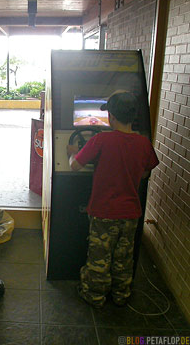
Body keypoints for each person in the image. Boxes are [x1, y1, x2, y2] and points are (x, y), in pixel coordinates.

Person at [66, 91, 159, 308]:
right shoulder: (143, 143)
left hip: (103, 212)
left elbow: (75, 165)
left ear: (112, 117)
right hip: (130, 214)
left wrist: (72, 152)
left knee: (99, 257)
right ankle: (121, 295)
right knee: (123, 258)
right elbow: (146, 172)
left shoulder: (101, 140)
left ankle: (95, 296)